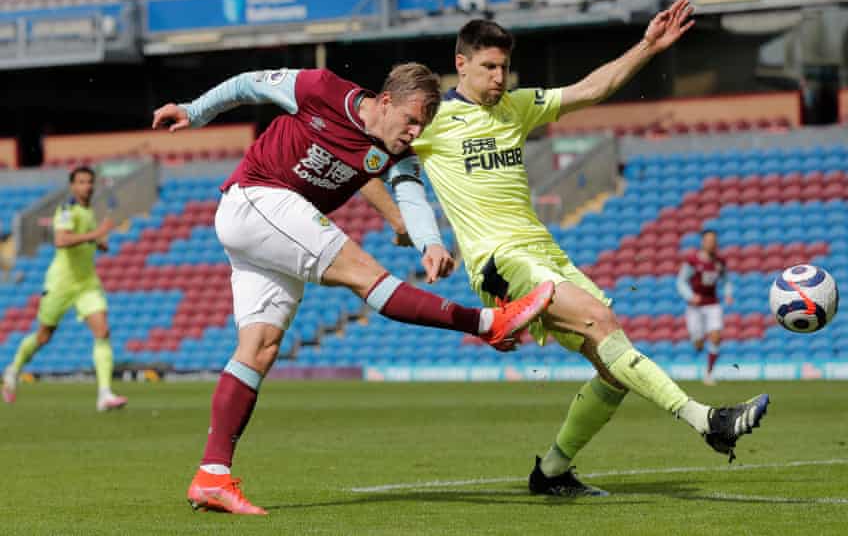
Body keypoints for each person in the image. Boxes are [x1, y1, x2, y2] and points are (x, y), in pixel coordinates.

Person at [152, 62, 555, 514]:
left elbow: (410, 194)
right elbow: (248, 83)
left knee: (259, 348)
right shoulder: (321, 89)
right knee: (365, 273)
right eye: (411, 119)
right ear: (385, 102)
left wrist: (430, 242)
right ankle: (486, 323)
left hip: (269, 229)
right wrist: (195, 110)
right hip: (258, 197)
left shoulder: (397, 151)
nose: (415, 131)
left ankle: (212, 476)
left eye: (423, 124)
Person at [407, 0, 769, 496]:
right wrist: (415, 229)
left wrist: (648, 46)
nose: (498, 77)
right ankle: (708, 420)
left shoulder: (516, 107)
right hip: (499, 262)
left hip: (546, 253)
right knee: (603, 323)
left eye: (504, 68)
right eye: (488, 67)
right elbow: (377, 155)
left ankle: (552, 471)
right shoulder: (434, 121)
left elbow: (592, 89)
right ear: (461, 63)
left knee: (612, 367)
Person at [2, 166, 128, 412]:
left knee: (102, 331)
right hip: (60, 283)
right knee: (43, 336)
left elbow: (85, 240)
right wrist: (95, 233)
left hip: (86, 283)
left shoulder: (88, 211)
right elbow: (61, 240)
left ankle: (104, 394)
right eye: (81, 182)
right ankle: (13, 369)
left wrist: (98, 243)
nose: (87, 186)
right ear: (72, 186)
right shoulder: (67, 209)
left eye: (90, 182)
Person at [677, 229, 733, 386]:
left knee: (716, 336)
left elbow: (726, 280)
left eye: (713, 240)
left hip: (713, 303)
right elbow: (681, 281)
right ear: (703, 242)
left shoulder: (720, 262)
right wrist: (690, 296)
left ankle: (709, 374)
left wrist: (728, 293)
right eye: (708, 240)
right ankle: (698, 343)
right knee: (698, 343)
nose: (711, 243)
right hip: (694, 307)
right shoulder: (692, 261)